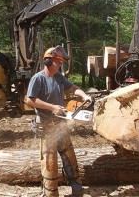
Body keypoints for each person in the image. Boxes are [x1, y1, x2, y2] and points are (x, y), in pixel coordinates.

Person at [26, 45, 92, 197]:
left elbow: (73, 87)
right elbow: (30, 100)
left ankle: (77, 188)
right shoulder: (38, 78)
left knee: (69, 155)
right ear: (48, 62)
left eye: (61, 62)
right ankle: (51, 193)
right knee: (50, 161)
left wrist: (84, 96)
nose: (61, 65)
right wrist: (51, 107)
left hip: (60, 123)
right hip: (46, 124)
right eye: (58, 62)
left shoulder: (59, 77)